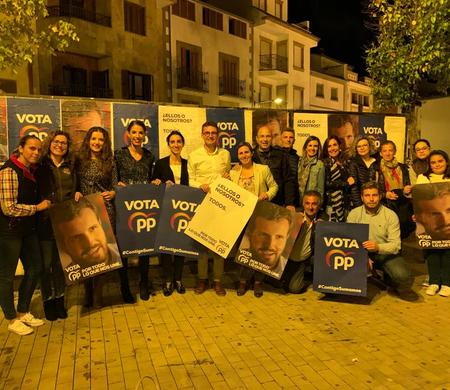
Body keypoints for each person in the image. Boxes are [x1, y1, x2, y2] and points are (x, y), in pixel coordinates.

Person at [0, 135, 51, 335]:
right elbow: (8, 208)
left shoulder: (30, 171)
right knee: (6, 276)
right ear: (20, 148)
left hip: (27, 230)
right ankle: (11, 318)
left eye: (39, 150)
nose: (36, 153)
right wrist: (37, 208)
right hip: (9, 232)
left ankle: (23, 311)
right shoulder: (8, 171)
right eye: (31, 148)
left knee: (35, 269)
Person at [35, 131, 81, 321]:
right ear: (50, 143)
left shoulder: (71, 166)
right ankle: (48, 301)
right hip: (45, 222)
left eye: (63, 143)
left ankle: (60, 300)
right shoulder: (40, 165)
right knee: (46, 266)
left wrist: (78, 192)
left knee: (61, 264)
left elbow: (75, 187)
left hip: (65, 221)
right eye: (56, 142)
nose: (60, 145)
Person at [347, 182, 417, 301]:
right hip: (361, 253)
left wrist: (378, 247)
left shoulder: (390, 215)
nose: (371, 199)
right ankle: (368, 277)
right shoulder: (354, 214)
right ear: (362, 197)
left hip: (384, 254)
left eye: (374, 195)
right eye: (367, 195)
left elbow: (396, 245)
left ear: (380, 196)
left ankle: (390, 281)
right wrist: (362, 257)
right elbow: (349, 240)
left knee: (402, 275)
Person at [228, 142, 278, 297]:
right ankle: (243, 280)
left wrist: (267, 195)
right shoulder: (234, 172)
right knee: (243, 250)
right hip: (240, 217)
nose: (244, 155)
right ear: (238, 156)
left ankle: (257, 281)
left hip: (259, 215)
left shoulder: (263, 170)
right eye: (241, 153)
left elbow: (274, 187)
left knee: (258, 250)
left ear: (251, 153)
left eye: (246, 152)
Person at [188, 121, 231, 296]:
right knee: (202, 244)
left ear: (218, 135)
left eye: (213, 133)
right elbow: (190, 180)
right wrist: (200, 185)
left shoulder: (225, 154)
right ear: (202, 134)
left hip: (221, 205)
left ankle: (218, 281)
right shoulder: (194, 155)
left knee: (219, 244)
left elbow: (227, 176)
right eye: (207, 133)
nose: (210, 135)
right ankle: (202, 279)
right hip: (202, 203)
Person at [76, 126, 117, 308]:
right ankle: (87, 293)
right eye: (94, 139)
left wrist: (113, 193)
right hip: (84, 212)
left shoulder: (110, 161)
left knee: (103, 253)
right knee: (86, 253)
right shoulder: (79, 160)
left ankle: (98, 295)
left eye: (101, 139)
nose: (97, 142)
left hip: (104, 210)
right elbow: (74, 183)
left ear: (105, 142)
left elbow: (115, 185)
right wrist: (76, 192)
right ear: (88, 140)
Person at [115, 120, 154, 302]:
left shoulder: (149, 156)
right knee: (124, 249)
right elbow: (113, 180)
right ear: (128, 134)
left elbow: (152, 179)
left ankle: (144, 284)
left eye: (141, 132)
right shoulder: (119, 155)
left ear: (145, 135)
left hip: (144, 208)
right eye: (134, 132)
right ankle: (125, 287)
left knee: (144, 248)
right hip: (124, 208)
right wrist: (117, 185)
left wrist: (156, 183)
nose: (138, 136)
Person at [152, 130, 189, 297]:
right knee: (166, 246)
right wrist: (157, 182)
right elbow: (152, 183)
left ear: (183, 144)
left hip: (183, 210)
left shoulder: (188, 164)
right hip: (165, 210)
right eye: (172, 142)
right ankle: (167, 280)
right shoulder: (160, 164)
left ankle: (178, 279)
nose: (176, 144)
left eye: (179, 141)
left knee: (181, 246)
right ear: (168, 144)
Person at [413, 151, 450, 297]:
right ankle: (434, 281)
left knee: (448, 252)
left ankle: (447, 283)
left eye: (440, 161)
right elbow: (418, 201)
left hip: (448, 221)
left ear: (446, 162)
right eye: (433, 162)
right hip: (430, 222)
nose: (437, 165)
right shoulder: (422, 178)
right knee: (431, 251)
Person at [51, 196, 120, 269]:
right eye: (77, 237)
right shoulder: (67, 277)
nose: (90, 242)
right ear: (63, 245)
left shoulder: (122, 254)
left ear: (100, 223)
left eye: (92, 228)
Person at [284, 190, 328, 293]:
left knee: (295, 288)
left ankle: (306, 276)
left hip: (304, 259)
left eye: (314, 204)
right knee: (279, 283)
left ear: (319, 205)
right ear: (303, 204)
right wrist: (293, 219)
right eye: (307, 203)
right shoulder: (294, 214)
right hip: (287, 257)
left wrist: (322, 225)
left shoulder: (323, 219)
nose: (310, 207)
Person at [253, 124, 296, 209]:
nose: (265, 139)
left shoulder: (281, 155)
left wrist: (290, 203)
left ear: (272, 138)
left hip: (277, 204)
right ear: (257, 139)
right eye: (262, 136)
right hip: (256, 204)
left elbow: (289, 180)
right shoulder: (250, 156)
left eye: (268, 136)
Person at [378, 140, 414, 238]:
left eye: (390, 150)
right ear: (381, 153)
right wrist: (384, 194)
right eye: (384, 151)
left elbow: (409, 183)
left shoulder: (403, 167)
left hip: (402, 203)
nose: (388, 153)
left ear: (395, 151)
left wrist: (407, 189)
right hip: (385, 203)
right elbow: (372, 188)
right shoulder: (376, 168)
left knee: (403, 231)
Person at [322, 136, 354, 222]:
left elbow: (352, 180)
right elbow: (326, 183)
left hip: (346, 203)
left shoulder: (346, 162)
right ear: (326, 149)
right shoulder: (325, 163)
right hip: (331, 204)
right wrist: (345, 184)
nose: (332, 148)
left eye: (334, 145)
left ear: (339, 146)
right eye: (329, 146)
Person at [348, 136, 379, 209]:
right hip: (360, 204)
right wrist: (359, 207)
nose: (362, 148)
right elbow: (354, 188)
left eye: (365, 145)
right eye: (359, 146)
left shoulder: (377, 162)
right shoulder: (353, 164)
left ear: (370, 146)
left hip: (376, 202)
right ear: (356, 149)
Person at [298, 136, 325, 204]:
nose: (312, 148)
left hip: (311, 203)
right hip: (297, 201)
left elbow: (320, 189)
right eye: (310, 145)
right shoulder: (299, 162)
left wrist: (319, 204)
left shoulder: (320, 165)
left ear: (318, 148)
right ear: (306, 147)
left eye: (315, 146)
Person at [281, 128, 300, 205]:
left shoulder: (297, 158)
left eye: (291, 137)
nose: (288, 140)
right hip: (277, 199)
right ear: (281, 139)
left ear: (294, 140)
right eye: (285, 137)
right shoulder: (275, 155)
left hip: (293, 199)